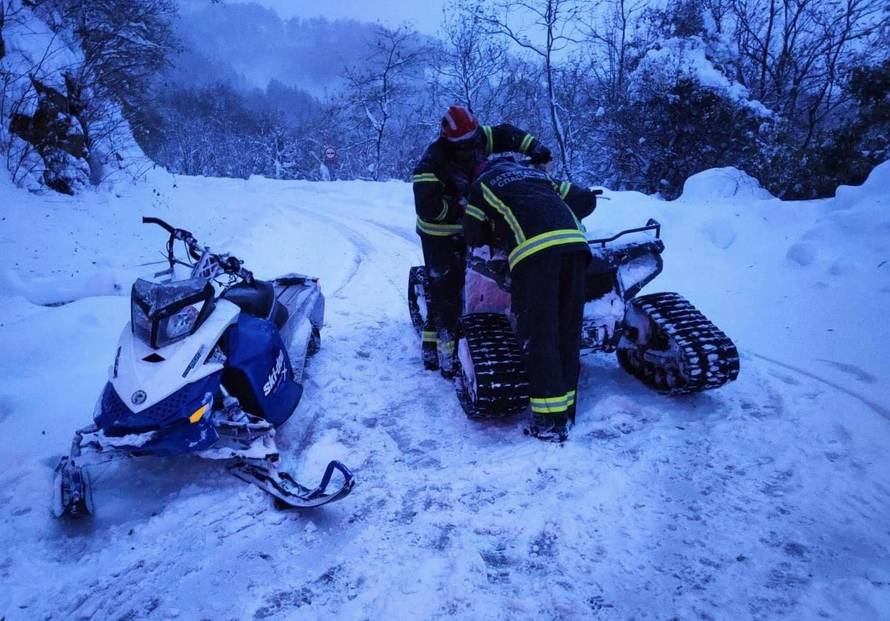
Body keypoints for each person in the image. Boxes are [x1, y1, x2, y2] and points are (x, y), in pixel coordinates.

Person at [463, 156, 598, 442]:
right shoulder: (539, 178)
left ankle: (550, 423)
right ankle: (567, 410)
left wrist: (497, 232)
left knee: (540, 335)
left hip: (534, 254)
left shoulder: (482, 186)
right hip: (576, 248)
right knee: (567, 330)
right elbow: (585, 199)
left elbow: (472, 233)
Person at [412, 105, 551, 376]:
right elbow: (428, 209)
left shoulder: (478, 137)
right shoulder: (430, 164)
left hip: (470, 223)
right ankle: (442, 352)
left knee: (477, 276)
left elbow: (508, 135)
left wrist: (536, 149)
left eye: (472, 140)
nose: (469, 147)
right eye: (461, 144)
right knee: (445, 289)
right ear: (448, 141)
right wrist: (462, 205)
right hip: (438, 233)